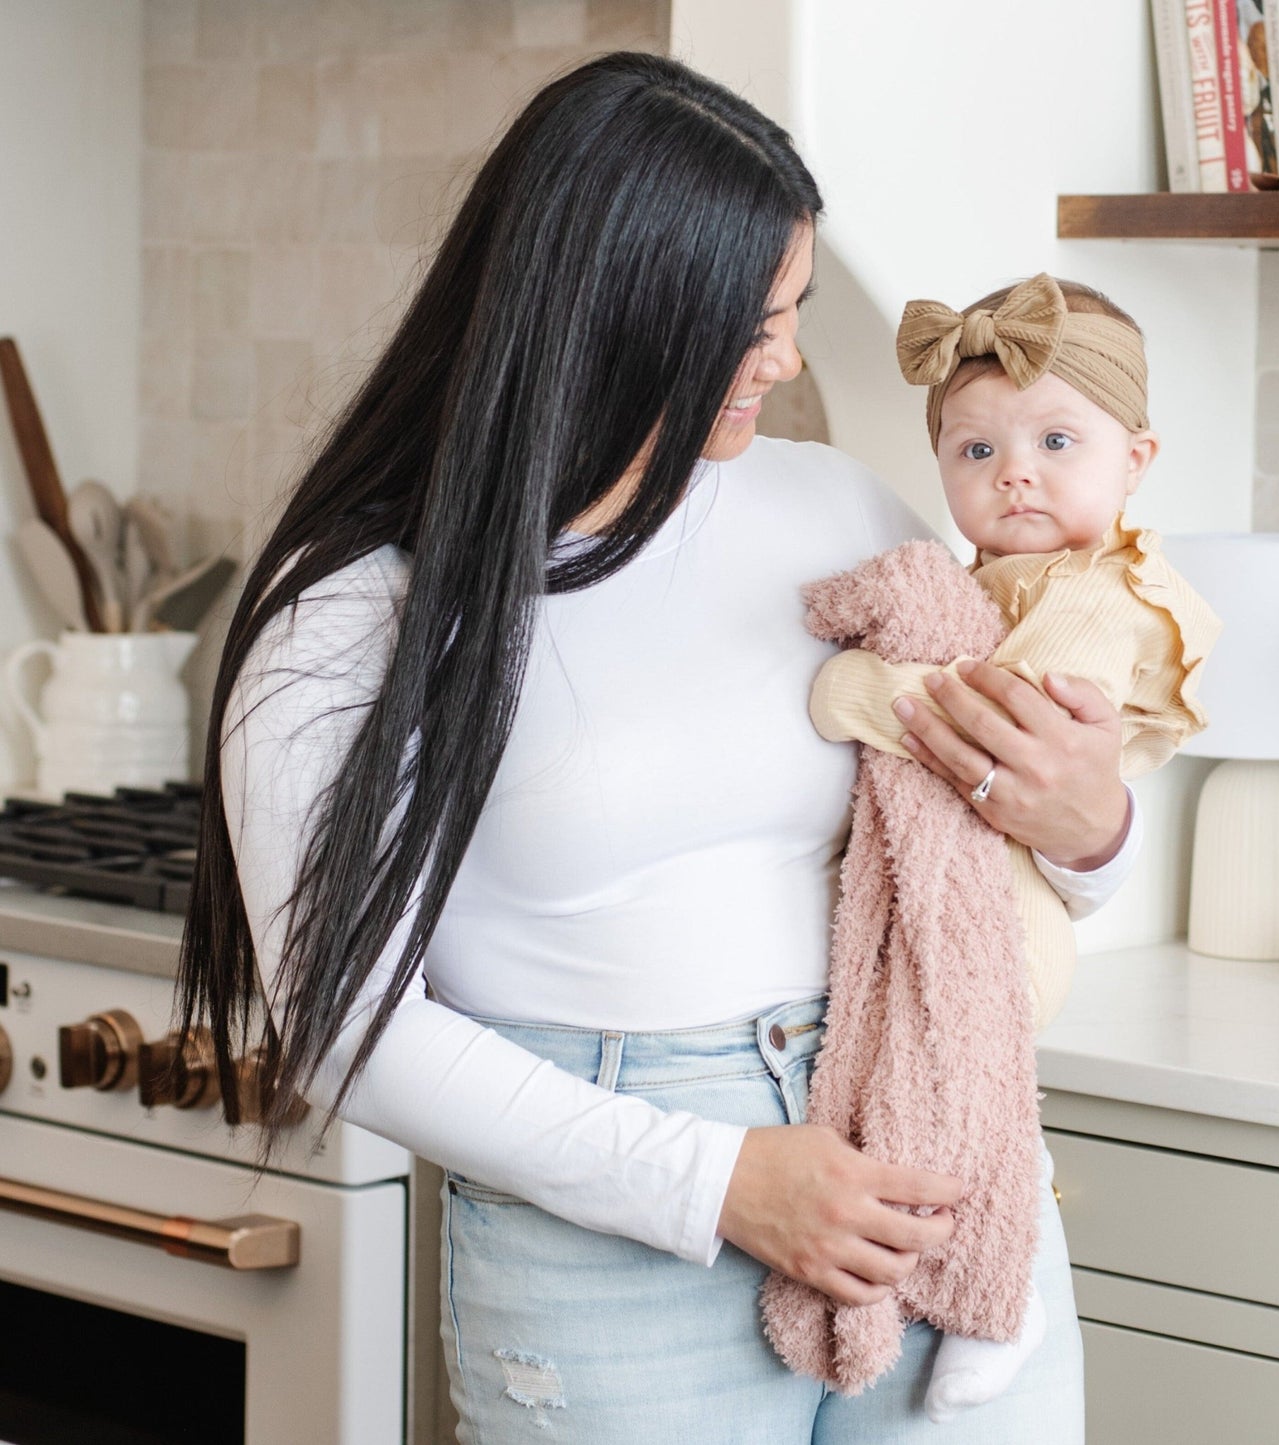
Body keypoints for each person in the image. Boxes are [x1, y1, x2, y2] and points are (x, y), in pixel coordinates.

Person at [177, 54, 1137, 1444]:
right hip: (619, 1237)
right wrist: (716, 1180)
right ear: (618, 311)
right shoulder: (358, 609)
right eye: (751, 323)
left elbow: (992, 864)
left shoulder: (846, 515)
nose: (789, 362)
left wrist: (1095, 828)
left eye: (793, 313)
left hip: (934, 1154)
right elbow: (348, 1032)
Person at [805, 273, 1221, 1420]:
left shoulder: (1104, 598)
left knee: (952, 1105)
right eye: (973, 450)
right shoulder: (1000, 579)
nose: (1012, 472)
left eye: (1052, 439)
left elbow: (966, 714)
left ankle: (997, 1288)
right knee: (929, 1103)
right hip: (978, 887)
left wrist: (846, 684)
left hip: (1014, 912)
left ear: (1134, 459)